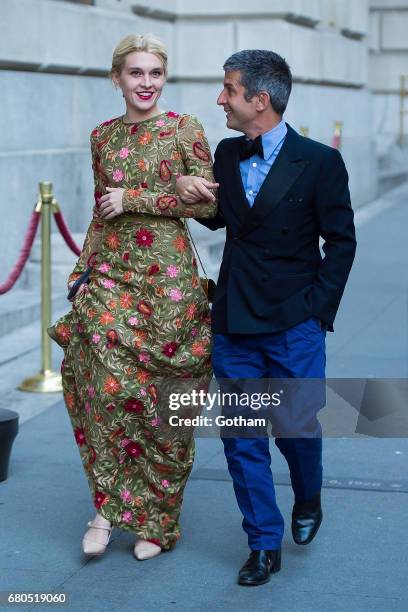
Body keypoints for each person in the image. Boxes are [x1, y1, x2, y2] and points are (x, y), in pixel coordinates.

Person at [176, 49, 357, 585]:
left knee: (297, 428)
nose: (220, 99)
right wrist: (188, 192)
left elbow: (341, 243)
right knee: (242, 438)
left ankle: (308, 495)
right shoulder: (229, 154)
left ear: (261, 99)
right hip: (234, 320)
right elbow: (220, 217)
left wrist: (316, 314)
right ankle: (262, 543)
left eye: (229, 89)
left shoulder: (319, 161)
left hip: (292, 321)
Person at [48, 32, 217, 561]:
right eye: (136, 73)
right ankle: (106, 507)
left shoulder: (183, 128)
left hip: (168, 286)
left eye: (155, 74)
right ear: (116, 77)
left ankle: (157, 519)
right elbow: (104, 210)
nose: (146, 83)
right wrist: (82, 273)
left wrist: (139, 197)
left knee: (162, 407)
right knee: (103, 393)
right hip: (112, 274)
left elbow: (209, 207)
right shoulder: (102, 136)